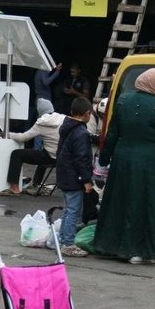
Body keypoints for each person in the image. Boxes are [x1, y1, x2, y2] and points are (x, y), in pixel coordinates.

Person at [93, 67, 155, 264]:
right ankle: (139, 250)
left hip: (123, 161)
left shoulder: (123, 101)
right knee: (145, 205)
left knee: (119, 202)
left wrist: (104, 159)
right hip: (150, 166)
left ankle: (111, 246)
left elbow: (112, 134)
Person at [55, 97, 94, 257]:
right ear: (86, 114)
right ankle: (68, 244)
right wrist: (86, 180)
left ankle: (62, 239)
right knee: (73, 211)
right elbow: (82, 159)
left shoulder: (66, 127)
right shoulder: (81, 133)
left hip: (64, 175)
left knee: (67, 210)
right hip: (74, 178)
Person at [0, 99, 65, 195]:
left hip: (50, 157)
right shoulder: (64, 118)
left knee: (17, 154)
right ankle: (36, 185)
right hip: (63, 157)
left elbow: (23, 137)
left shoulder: (42, 123)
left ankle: (14, 188)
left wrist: (7, 134)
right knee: (43, 153)